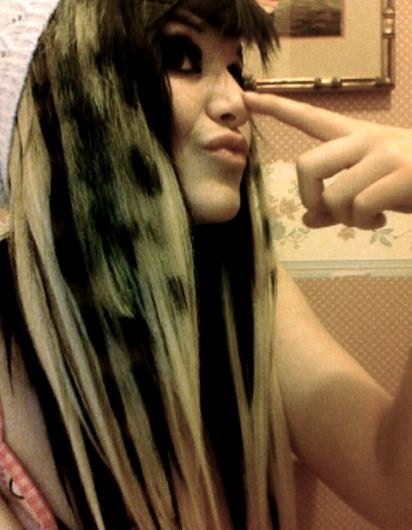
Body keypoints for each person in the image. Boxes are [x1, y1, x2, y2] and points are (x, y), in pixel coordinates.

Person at [0, 1, 412, 529]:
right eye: (179, 58)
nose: (235, 103)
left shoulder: (249, 293)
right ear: (61, 91)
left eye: (237, 68)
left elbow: (398, 490)